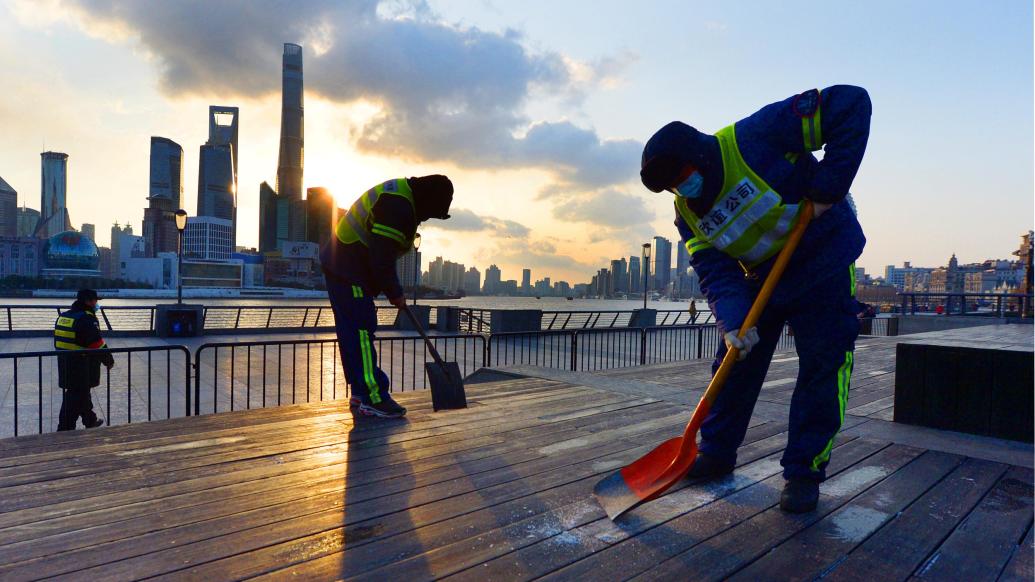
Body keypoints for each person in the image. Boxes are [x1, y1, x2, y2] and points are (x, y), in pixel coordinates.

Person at [639, 85, 871, 512]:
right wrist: (732, 323)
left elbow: (851, 104)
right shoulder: (686, 212)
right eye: (671, 186)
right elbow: (715, 270)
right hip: (763, 275)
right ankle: (716, 451)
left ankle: (804, 472)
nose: (680, 188)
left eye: (681, 176)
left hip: (823, 260)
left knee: (824, 367)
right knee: (734, 363)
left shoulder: (756, 136)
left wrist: (828, 187)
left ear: (699, 156)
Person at [320, 175, 454, 418]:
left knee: (353, 332)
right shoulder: (397, 206)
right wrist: (396, 293)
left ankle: (361, 393)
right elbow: (381, 257)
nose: (425, 218)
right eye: (430, 213)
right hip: (348, 269)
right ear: (427, 199)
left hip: (343, 266)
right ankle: (373, 397)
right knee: (361, 331)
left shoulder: (402, 196)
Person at [54, 289, 115, 431]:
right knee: (74, 398)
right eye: (95, 301)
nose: (96, 304)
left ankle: (90, 420)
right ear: (88, 301)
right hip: (82, 366)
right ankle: (64, 429)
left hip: (65, 364)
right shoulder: (86, 319)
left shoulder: (64, 316)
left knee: (80, 394)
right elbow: (96, 343)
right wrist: (109, 360)